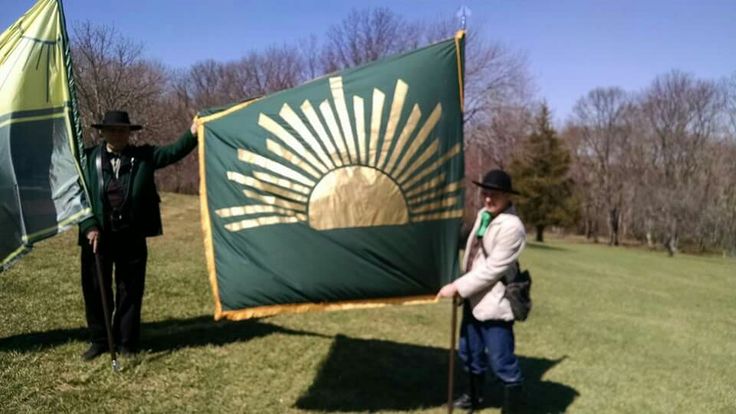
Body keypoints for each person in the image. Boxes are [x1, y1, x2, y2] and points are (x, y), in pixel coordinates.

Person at [78, 110, 199, 360]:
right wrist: (88, 224)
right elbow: (76, 195)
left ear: (129, 133)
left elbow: (172, 151)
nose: (118, 134)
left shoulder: (144, 156)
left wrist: (193, 133)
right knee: (96, 289)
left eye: (123, 130)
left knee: (130, 290)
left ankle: (126, 342)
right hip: (97, 236)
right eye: (112, 130)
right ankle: (100, 340)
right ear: (103, 132)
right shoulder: (87, 158)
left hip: (131, 235)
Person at [437, 169, 527, 413]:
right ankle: (473, 398)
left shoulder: (513, 227)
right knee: (470, 354)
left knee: (501, 361)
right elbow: (472, 249)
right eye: (485, 193)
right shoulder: (484, 215)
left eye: (495, 194)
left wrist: (457, 286)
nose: (488, 199)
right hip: (471, 299)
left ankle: (512, 409)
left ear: (508, 196)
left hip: (494, 302)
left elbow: (492, 269)